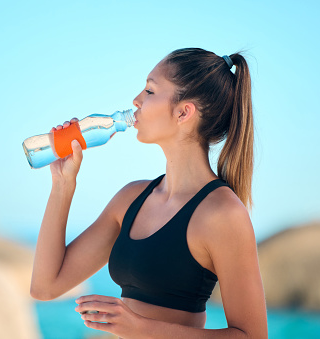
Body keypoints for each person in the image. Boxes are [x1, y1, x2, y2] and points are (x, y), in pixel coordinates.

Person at [30, 47, 268, 338]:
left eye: (150, 90)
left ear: (183, 112)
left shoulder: (222, 214)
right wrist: (63, 184)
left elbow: (252, 336)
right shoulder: (130, 199)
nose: (136, 100)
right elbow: (45, 286)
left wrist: (140, 328)